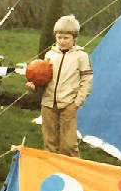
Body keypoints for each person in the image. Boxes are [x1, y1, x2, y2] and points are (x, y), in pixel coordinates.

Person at [26, 15, 93, 157]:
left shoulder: (81, 56)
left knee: (68, 145)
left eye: (66, 38)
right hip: (48, 104)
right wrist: (35, 86)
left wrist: (77, 102)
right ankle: (52, 174)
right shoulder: (50, 55)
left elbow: (87, 79)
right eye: (59, 37)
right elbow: (44, 78)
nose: (62, 41)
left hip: (68, 105)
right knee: (50, 143)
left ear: (74, 38)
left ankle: (73, 173)